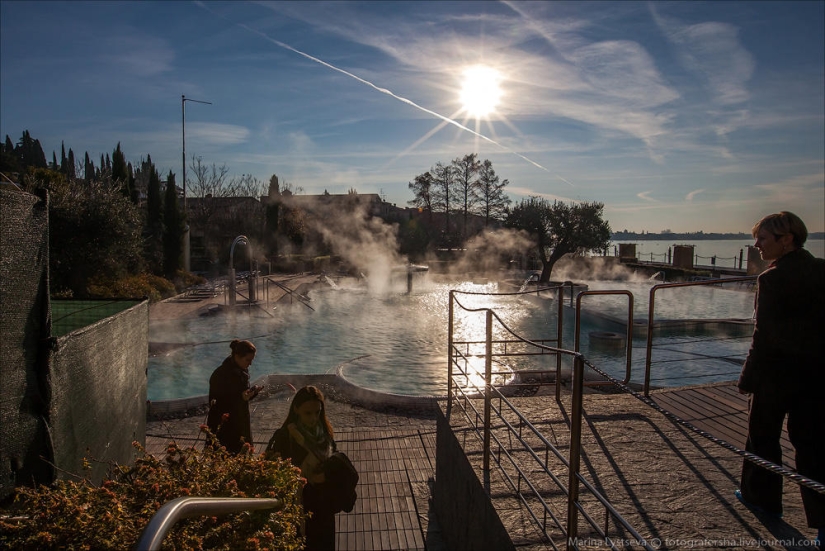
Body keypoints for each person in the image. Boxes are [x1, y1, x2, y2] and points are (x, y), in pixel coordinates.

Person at [736, 211, 824, 544]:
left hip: (776, 374)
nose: (756, 245)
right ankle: (823, 524)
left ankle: (763, 500)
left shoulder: (771, 279)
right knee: (814, 445)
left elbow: (764, 335)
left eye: (762, 238)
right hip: (817, 375)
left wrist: (747, 377)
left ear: (786, 239)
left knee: (762, 437)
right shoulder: (822, 270)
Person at [267, 386, 338, 551]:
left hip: (322, 507)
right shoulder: (285, 437)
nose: (314, 418)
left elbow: (335, 460)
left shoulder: (325, 433)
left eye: (317, 412)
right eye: (308, 413)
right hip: (299, 506)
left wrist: (325, 474)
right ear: (296, 409)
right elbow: (274, 474)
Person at [206, 339, 261, 453]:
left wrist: (252, 393)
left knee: (242, 455)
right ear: (237, 356)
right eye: (248, 360)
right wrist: (241, 398)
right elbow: (216, 403)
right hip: (225, 425)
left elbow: (242, 395)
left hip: (239, 421)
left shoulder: (241, 371)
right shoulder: (221, 375)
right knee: (226, 457)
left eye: (252, 360)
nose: (250, 364)